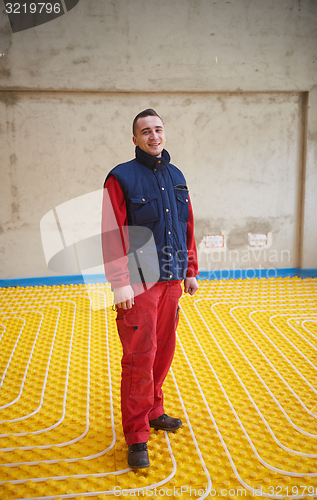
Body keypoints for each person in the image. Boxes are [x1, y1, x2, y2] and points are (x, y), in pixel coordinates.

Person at [102, 109, 199, 469]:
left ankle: (155, 411)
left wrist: (190, 270)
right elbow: (112, 232)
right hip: (139, 284)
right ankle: (137, 435)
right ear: (134, 139)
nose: (153, 136)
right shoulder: (121, 177)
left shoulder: (176, 176)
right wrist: (119, 283)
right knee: (139, 359)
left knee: (162, 353)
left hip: (172, 280)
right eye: (145, 131)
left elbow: (185, 225)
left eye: (158, 129)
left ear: (164, 134)